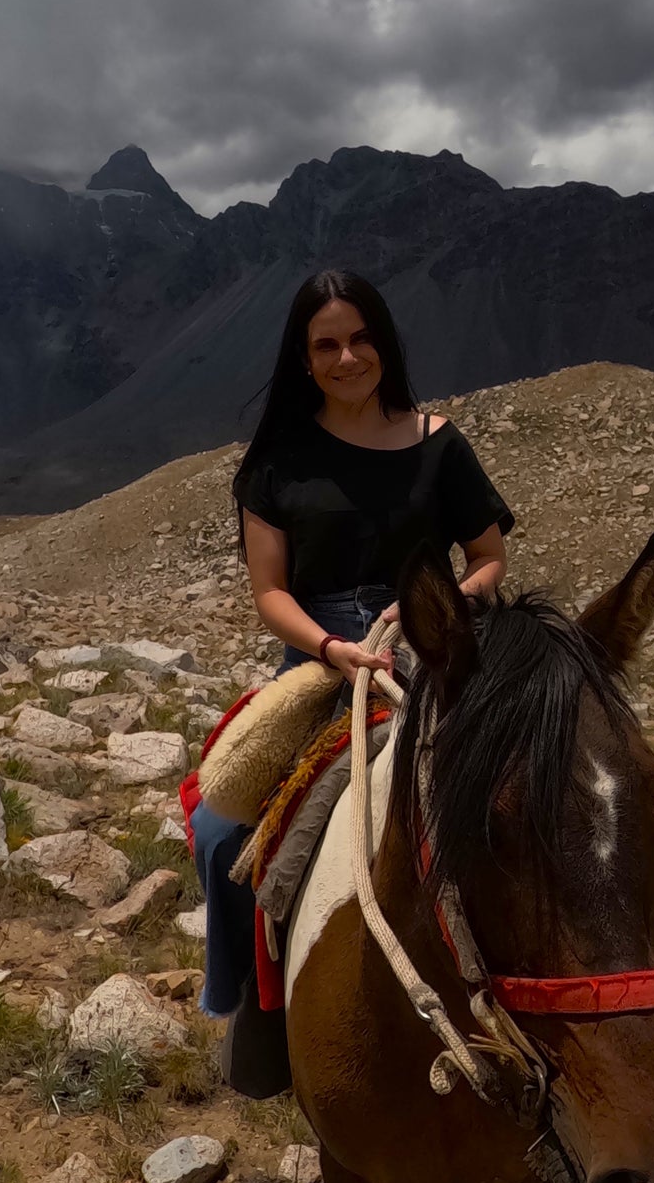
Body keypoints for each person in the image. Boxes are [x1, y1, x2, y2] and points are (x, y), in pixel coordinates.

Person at [189, 268, 513, 1044]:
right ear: (303, 359)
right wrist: (333, 647)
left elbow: (489, 557)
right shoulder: (275, 463)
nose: (346, 358)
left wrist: (443, 602)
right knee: (218, 827)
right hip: (319, 654)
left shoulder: (439, 443)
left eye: (359, 337)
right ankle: (254, 1012)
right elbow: (269, 592)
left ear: (383, 342)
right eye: (325, 343)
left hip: (428, 639)